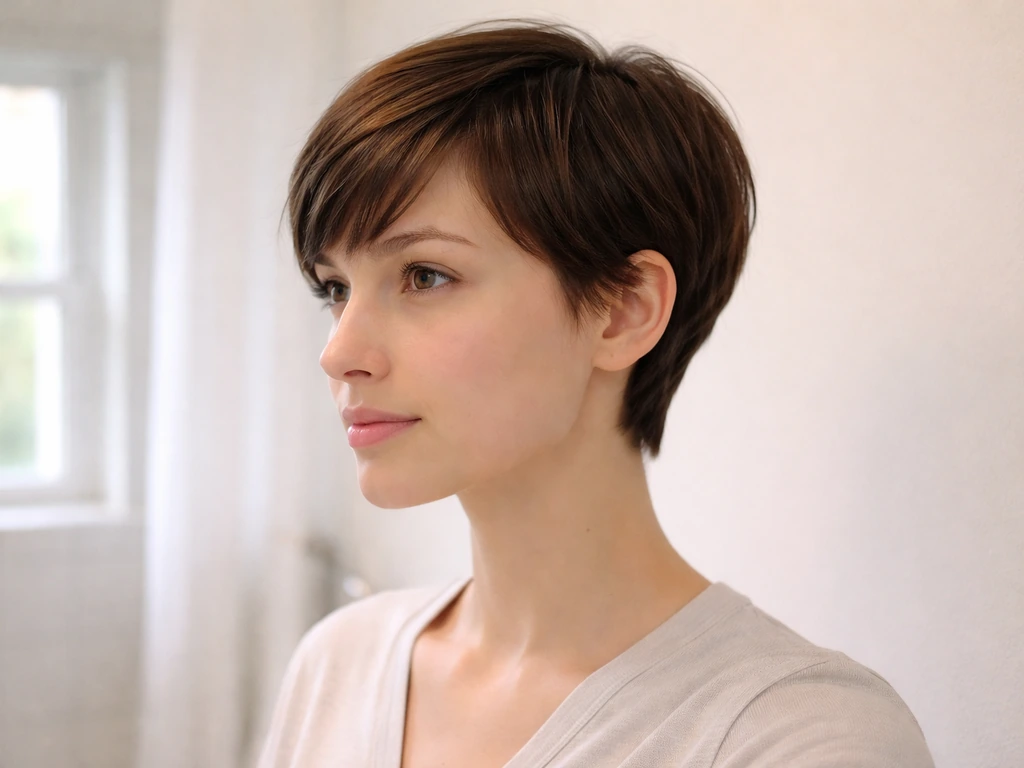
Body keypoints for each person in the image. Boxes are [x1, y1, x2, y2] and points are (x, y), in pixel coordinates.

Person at [257, 18, 934, 768]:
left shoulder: (795, 736)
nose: (339, 352)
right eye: (335, 288)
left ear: (623, 310)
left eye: (425, 276)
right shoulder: (340, 661)